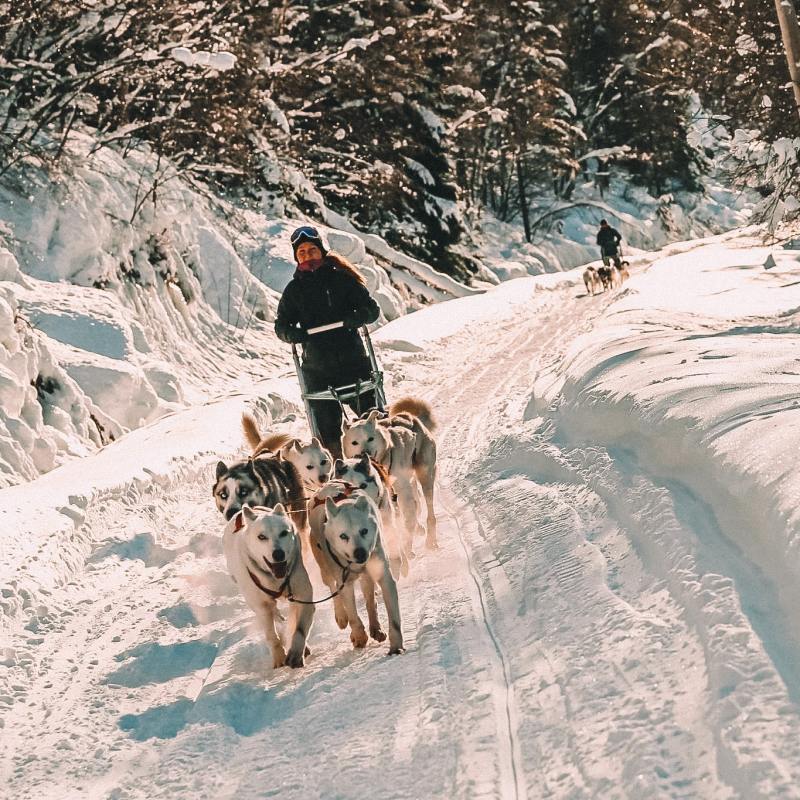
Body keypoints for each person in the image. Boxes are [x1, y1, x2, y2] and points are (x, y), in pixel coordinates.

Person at [275, 225, 380, 458]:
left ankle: (377, 463)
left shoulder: (343, 281)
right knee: (328, 431)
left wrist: (357, 316)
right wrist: (291, 334)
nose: (307, 256)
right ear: (296, 257)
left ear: (321, 252)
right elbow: (281, 326)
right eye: (301, 252)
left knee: (370, 421)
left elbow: (371, 309)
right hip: (318, 370)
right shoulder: (294, 291)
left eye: (311, 250)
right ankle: (339, 472)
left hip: (353, 363)